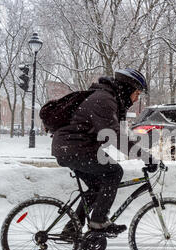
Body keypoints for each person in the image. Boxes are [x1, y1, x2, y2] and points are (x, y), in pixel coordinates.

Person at [52, 68, 157, 234]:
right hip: (75, 148)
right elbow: (114, 136)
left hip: (72, 147)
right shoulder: (104, 100)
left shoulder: (108, 98)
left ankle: (72, 229)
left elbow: (114, 134)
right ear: (127, 88)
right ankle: (98, 221)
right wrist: (145, 157)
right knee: (113, 172)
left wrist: (139, 150)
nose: (137, 99)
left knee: (96, 186)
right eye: (137, 93)